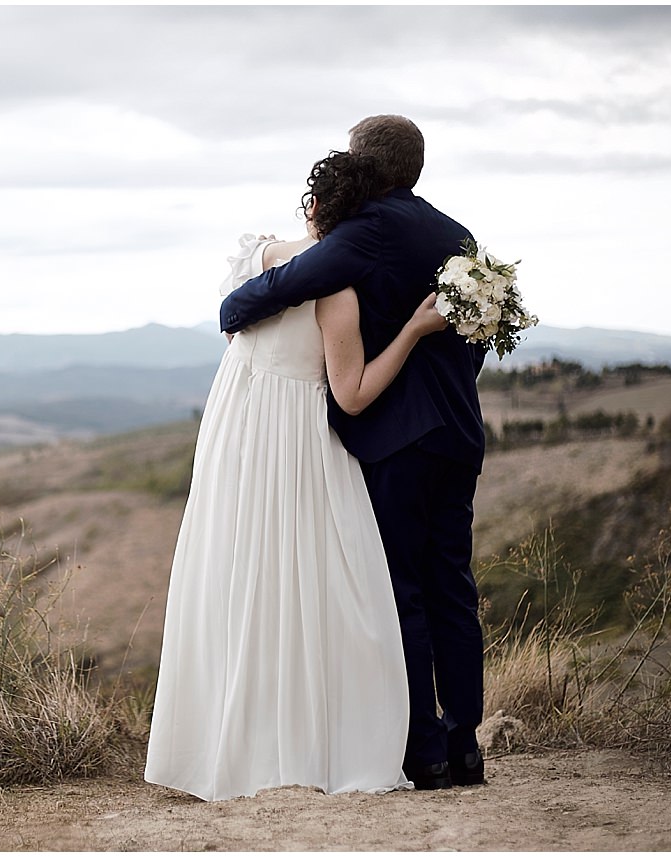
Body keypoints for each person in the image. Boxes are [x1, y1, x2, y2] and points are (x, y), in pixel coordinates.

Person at [144, 150, 446, 801]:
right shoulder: (339, 294)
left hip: (236, 427)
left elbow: (238, 337)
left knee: (234, 572)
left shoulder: (259, 256)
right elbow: (355, 393)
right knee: (316, 583)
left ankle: (224, 741)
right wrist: (415, 330)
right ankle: (300, 740)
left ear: (311, 205)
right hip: (297, 439)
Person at [219, 115, 488, 791]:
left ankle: (423, 751)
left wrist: (231, 307)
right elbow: (479, 337)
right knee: (453, 588)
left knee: (400, 590)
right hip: (458, 432)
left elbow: (290, 284)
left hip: (398, 439)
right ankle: (466, 747)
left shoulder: (370, 229)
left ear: (363, 164)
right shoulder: (460, 237)